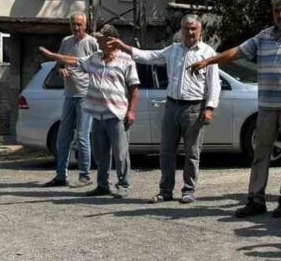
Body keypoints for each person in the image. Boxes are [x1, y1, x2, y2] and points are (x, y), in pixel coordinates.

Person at [189, 0, 281, 218]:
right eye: (276, 11)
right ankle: (256, 200)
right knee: (261, 153)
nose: (280, 15)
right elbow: (237, 52)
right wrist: (208, 61)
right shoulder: (263, 36)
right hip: (267, 106)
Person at [106, 15, 220, 204]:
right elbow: (148, 56)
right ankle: (165, 190)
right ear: (181, 30)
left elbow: (214, 84)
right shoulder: (173, 49)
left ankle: (188, 190)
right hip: (171, 106)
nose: (190, 32)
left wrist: (209, 107)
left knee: (192, 153)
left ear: (200, 30)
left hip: (194, 108)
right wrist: (122, 46)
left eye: (193, 29)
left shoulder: (207, 53)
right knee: (166, 151)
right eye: (186, 29)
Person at [39, 26, 140, 199]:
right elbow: (74, 60)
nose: (97, 41)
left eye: (100, 38)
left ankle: (123, 185)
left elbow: (134, 87)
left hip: (117, 114)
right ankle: (102, 185)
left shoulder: (126, 60)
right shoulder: (94, 58)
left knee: (120, 153)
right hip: (98, 114)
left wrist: (131, 111)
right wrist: (53, 57)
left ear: (110, 40)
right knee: (101, 153)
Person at [43, 12, 99, 187]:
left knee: (82, 136)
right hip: (69, 95)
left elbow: (99, 67)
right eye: (73, 24)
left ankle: (85, 175)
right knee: (63, 136)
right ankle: (61, 175)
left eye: (79, 25)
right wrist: (61, 70)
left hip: (85, 95)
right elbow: (59, 64)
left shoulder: (92, 43)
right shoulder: (66, 42)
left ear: (86, 25)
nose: (76, 28)